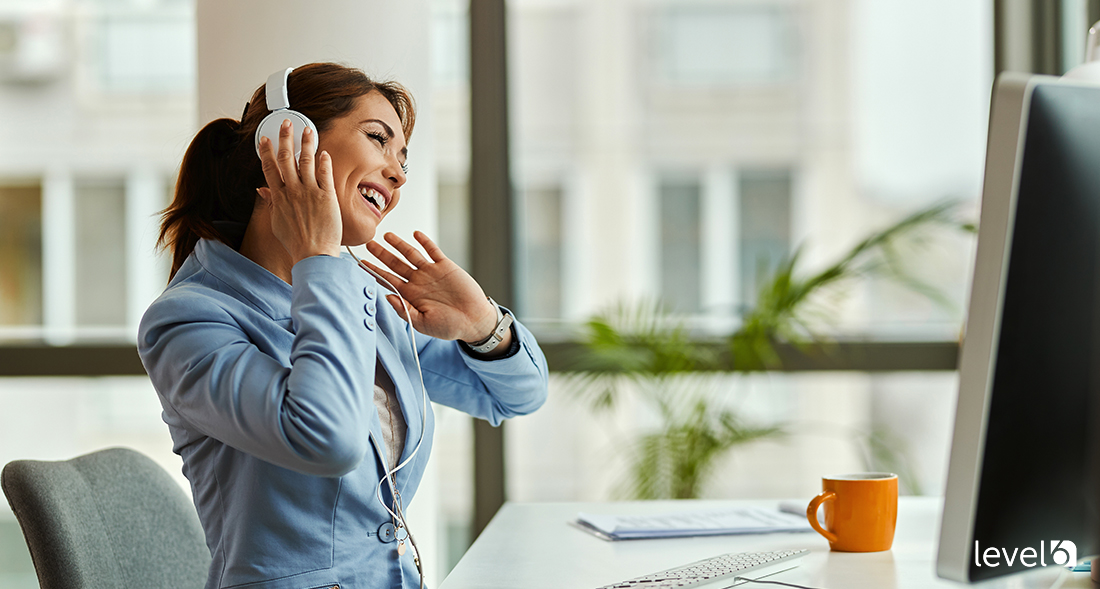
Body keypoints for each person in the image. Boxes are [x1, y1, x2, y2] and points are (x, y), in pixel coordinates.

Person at [138, 62, 549, 589]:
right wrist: (318, 259)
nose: (399, 175)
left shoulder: (364, 295)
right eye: (378, 139)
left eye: (404, 159)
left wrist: (483, 326)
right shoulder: (187, 320)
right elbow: (327, 440)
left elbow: (515, 396)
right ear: (288, 142)